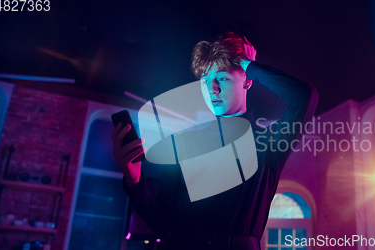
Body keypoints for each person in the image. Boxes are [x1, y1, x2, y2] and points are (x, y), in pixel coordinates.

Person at [111, 32, 318, 250]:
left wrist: (248, 65)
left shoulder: (268, 142)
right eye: (205, 81)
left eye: (222, 77)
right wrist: (134, 179)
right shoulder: (183, 143)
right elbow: (163, 223)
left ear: (247, 81)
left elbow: (303, 96)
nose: (212, 89)